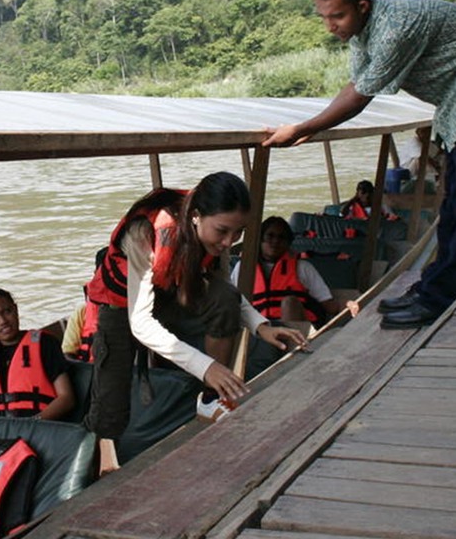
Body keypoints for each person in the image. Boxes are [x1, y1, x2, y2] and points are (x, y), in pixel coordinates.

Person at [264, 0, 456, 330]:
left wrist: (302, 129)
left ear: (362, 6)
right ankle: (432, 285)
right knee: (453, 196)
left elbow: (360, 98)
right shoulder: (362, 31)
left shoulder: (394, 27)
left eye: (337, 16)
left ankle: (439, 297)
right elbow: (353, 86)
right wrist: (308, 128)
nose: (330, 26)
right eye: (323, 17)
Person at [83, 172, 308, 473]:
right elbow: (141, 323)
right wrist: (207, 366)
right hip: (123, 309)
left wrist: (261, 326)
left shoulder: (214, 241)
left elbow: (226, 292)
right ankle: (91, 473)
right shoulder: (144, 234)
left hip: (170, 296)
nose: (229, 242)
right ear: (197, 217)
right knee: (110, 411)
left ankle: (210, 398)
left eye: (238, 232)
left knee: (224, 299)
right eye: (222, 231)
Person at [0, 287, 76, 421]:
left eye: (7, 311)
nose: (3, 321)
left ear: (16, 309)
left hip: (40, 429)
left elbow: (66, 398)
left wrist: (32, 423)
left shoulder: (45, 343)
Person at [230, 216, 337, 325]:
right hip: (258, 329)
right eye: (270, 236)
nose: (275, 241)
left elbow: (328, 304)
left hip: (298, 330)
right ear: (260, 238)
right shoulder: (243, 267)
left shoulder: (303, 267)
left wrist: (349, 305)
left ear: (288, 243)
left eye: (281, 237)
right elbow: (231, 301)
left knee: (289, 302)